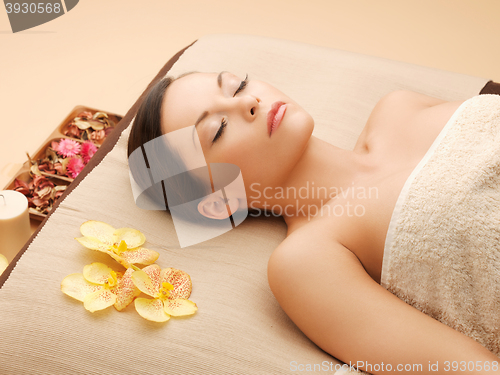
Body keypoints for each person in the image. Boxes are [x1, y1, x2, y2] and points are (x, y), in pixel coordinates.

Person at [127, 71, 499, 374]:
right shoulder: (306, 261)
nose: (248, 101)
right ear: (217, 202)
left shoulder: (399, 106)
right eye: (218, 129)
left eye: (238, 85)